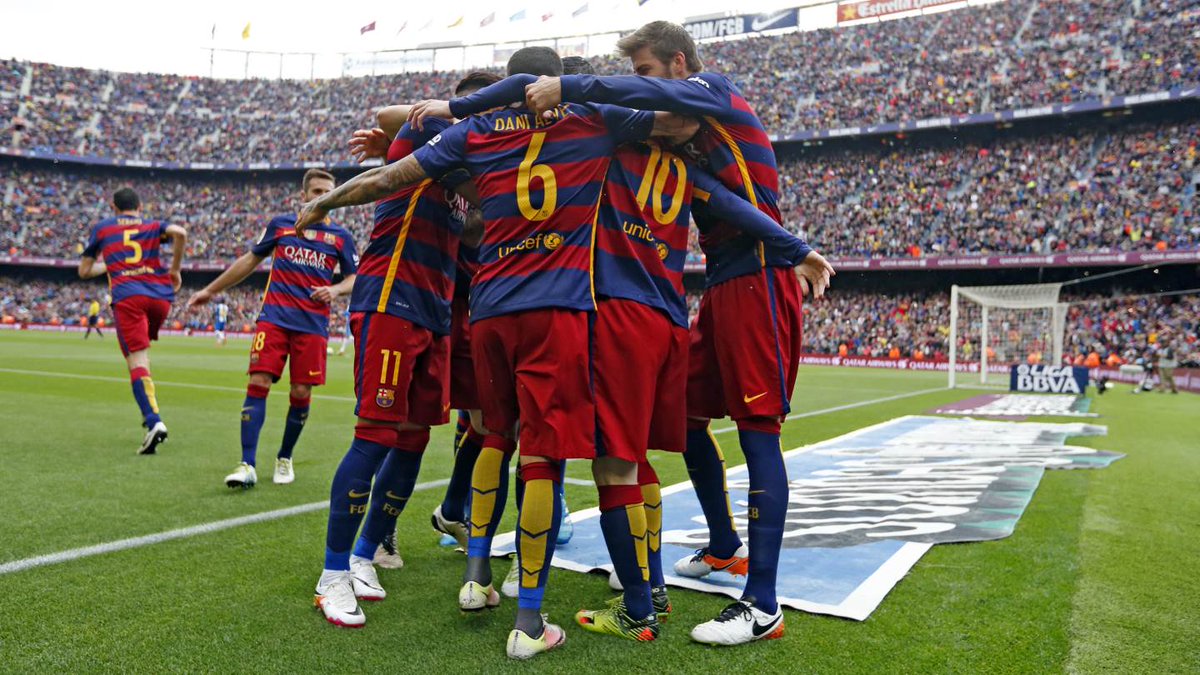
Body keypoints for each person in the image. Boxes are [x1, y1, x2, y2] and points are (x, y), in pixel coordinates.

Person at [295, 46, 692, 660]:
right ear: (551, 81)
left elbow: (390, 177)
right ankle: (529, 620)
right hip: (557, 309)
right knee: (542, 459)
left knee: (489, 436)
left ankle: (476, 577)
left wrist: (325, 202)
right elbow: (679, 122)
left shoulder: (476, 131)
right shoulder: (591, 118)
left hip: (487, 311)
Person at [435, 55, 831, 642]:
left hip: (606, 309)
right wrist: (796, 246)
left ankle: (630, 605)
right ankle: (658, 581)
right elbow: (728, 204)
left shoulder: (603, 149)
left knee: (575, 452)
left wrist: (454, 112)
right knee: (640, 453)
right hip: (669, 316)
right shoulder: (683, 164)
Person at [522, 20, 807, 646]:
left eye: (646, 71)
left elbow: (655, 107)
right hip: (725, 281)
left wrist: (571, 86)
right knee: (686, 421)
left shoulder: (715, 88)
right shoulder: (685, 131)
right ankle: (725, 543)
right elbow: (676, 153)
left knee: (759, 432)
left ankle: (762, 604)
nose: (640, 83)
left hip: (758, 275)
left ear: (680, 64)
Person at [306, 72, 495, 630]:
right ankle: (332, 574)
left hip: (435, 308)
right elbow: (391, 130)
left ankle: (364, 555)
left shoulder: (468, 163)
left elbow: (477, 225)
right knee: (375, 436)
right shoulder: (433, 131)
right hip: (392, 297)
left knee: (413, 440)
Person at [187, 169, 358, 488]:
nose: (324, 196)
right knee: (258, 381)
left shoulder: (341, 238)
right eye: (317, 191)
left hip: (313, 325)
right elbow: (249, 260)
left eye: (329, 192)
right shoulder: (281, 225)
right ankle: (247, 464)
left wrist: (335, 290)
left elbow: (354, 278)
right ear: (303, 195)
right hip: (274, 319)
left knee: (301, 391)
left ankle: (284, 457)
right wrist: (211, 290)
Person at [78, 187, 187, 455]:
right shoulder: (152, 225)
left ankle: (153, 421)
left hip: (129, 297)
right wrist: (174, 269)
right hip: (160, 298)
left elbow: (84, 271)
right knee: (143, 358)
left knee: (137, 362)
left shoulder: (104, 228)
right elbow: (180, 233)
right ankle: (151, 412)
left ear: (114, 208)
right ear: (140, 207)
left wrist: (113, 263)